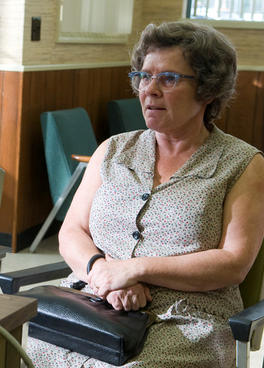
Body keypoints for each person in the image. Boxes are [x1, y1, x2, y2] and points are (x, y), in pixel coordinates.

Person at [28, 21, 264, 367]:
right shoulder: (112, 150)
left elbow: (233, 264)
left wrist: (134, 269)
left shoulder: (242, 163)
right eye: (143, 76)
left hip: (186, 320)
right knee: (24, 351)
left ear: (208, 89)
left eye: (168, 78)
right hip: (93, 303)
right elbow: (72, 231)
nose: (149, 89)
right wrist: (103, 274)